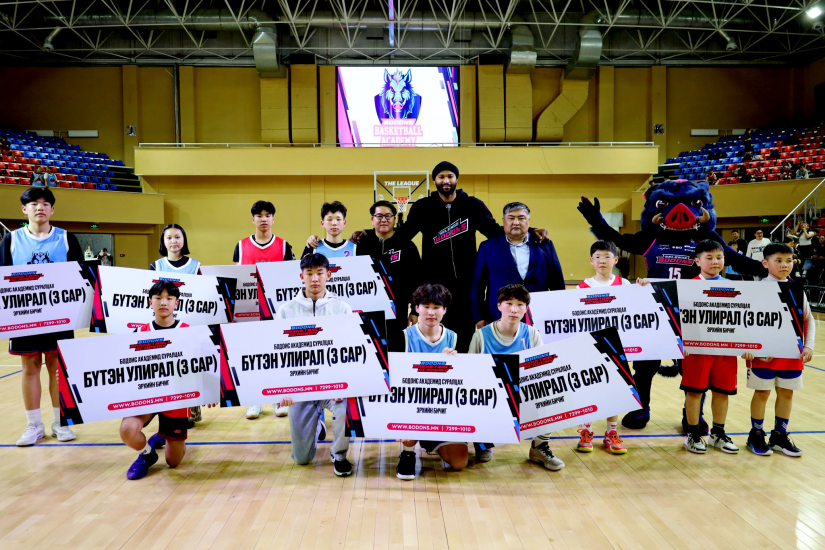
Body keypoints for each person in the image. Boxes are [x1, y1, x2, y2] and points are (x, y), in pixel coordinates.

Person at [339, 161, 546, 352]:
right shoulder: (423, 207)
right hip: (436, 288)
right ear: (435, 181)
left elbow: (495, 230)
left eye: (450, 176)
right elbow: (401, 235)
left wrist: (529, 230)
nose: (446, 180)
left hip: (465, 287)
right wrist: (368, 233)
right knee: (438, 338)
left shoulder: (473, 205)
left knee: (464, 339)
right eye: (441, 177)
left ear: (456, 179)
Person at [0, 187, 82, 446]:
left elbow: (81, 277)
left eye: (46, 203)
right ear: (24, 209)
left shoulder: (67, 238)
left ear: (52, 210)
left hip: (58, 315)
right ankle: (34, 425)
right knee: (30, 367)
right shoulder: (11, 240)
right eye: (34, 203)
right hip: (23, 316)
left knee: (57, 368)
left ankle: (60, 422)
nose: (40, 207)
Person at [468, 284, 565, 471]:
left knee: (554, 394)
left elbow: (543, 371)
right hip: (491, 396)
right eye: (509, 303)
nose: (514, 309)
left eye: (520, 304)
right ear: (498, 305)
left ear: (526, 308)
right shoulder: (481, 336)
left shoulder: (531, 333)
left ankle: (539, 447)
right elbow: (471, 375)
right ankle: (482, 442)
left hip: (522, 393)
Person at [275, 254, 354, 477]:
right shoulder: (286, 311)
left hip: (332, 386)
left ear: (329, 275)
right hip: (302, 387)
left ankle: (339, 455)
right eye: (309, 274)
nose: (315, 278)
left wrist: (344, 385)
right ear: (301, 277)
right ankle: (317, 426)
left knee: (345, 406)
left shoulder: (343, 309)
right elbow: (277, 354)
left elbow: (350, 351)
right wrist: (283, 389)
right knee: (301, 459)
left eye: (320, 273)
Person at [121, 281, 207, 480]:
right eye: (158, 298)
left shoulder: (189, 332)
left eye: (169, 298)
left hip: (176, 400)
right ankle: (147, 454)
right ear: (150, 302)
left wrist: (208, 390)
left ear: (177, 303)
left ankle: (165, 436)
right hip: (147, 396)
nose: (163, 302)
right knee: (127, 429)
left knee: (173, 462)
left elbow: (203, 364)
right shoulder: (139, 333)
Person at [743, 243, 813, 457]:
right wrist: (749, 349)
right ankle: (756, 435)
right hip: (763, 355)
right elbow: (744, 321)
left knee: (786, 393)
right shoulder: (755, 290)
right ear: (765, 263)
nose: (785, 265)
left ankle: (779, 436)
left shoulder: (796, 289)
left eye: (789, 261)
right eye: (779, 261)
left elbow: (808, 320)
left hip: (791, 353)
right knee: (762, 392)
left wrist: (809, 345)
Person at [392, 283, 464, 479]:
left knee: (459, 462)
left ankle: (429, 439)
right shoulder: (402, 338)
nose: (431, 312)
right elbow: (391, 381)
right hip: (411, 406)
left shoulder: (455, 338)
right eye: (426, 307)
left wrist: (456, 363)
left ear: (445, 309)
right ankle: (408, 453)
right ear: (416, 308)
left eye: (436, 307)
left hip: (443, 407)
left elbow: (465, 381)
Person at [234, 200, 295, 420]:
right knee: (252, 356)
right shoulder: (241, 246)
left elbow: (291, 278)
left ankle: (279, 398)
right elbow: (236, 279)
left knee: (277, 355)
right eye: (259, 215)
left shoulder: (284, 246)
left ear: (273, 219)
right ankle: (254, 400)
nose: (263, 219)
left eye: (268, 215)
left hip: (276, 311)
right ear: (253, 219)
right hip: (249, 311)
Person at [682, 240, 742, 454]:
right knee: (694, 392)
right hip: (697, 351)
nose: (715, 261)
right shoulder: (687, 287)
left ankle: (718, 434)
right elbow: (678, 318)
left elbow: (743, 319)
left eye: (719, 257)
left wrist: (747, 344)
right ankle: (692, 434)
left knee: (722, 392)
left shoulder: (734, 286)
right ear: (697, 261)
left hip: (725, 350)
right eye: (709, 258)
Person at [575, 241, 630, 454]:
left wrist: (644, 286)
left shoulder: (625, 285)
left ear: (615, 260)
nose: (602, 261)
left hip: (617, 346)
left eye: (607, 256)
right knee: (589, 390)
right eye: (597, 257)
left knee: (614, 390)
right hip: (590, 347)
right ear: (591, 261)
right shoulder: (582, 287)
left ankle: (611, 432)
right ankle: (586, 431)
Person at [471, 202, 565, 327]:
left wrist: (559, 312)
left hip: (540, 316)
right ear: (504, 221)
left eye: (521, 218)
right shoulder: (487, 247)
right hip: (498, 316)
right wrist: (479, 317)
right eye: (511, 218)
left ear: (528, 221)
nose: (516, 222)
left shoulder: (545, 246)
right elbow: (477, 286)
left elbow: (557, 284)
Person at [150, 223, 202, 425]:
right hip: (163, 325)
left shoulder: (195, 266)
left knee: (185, 366)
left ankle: (189, 411)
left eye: (177, 237)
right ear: (163, 241)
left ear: (184, 240)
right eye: (169, 237)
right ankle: (166, 411)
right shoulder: (156, 266)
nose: (173, 241)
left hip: (187, 325)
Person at [355, 200, 422, 335]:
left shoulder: (407, 245)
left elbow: (417, 278)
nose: (384, 220)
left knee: (396, 345)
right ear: (372, 219)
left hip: (398, 308)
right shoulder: (361, 244)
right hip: (369, 309)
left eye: (388, 216)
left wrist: (415, 312)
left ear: (394, 219)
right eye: (379, 216)